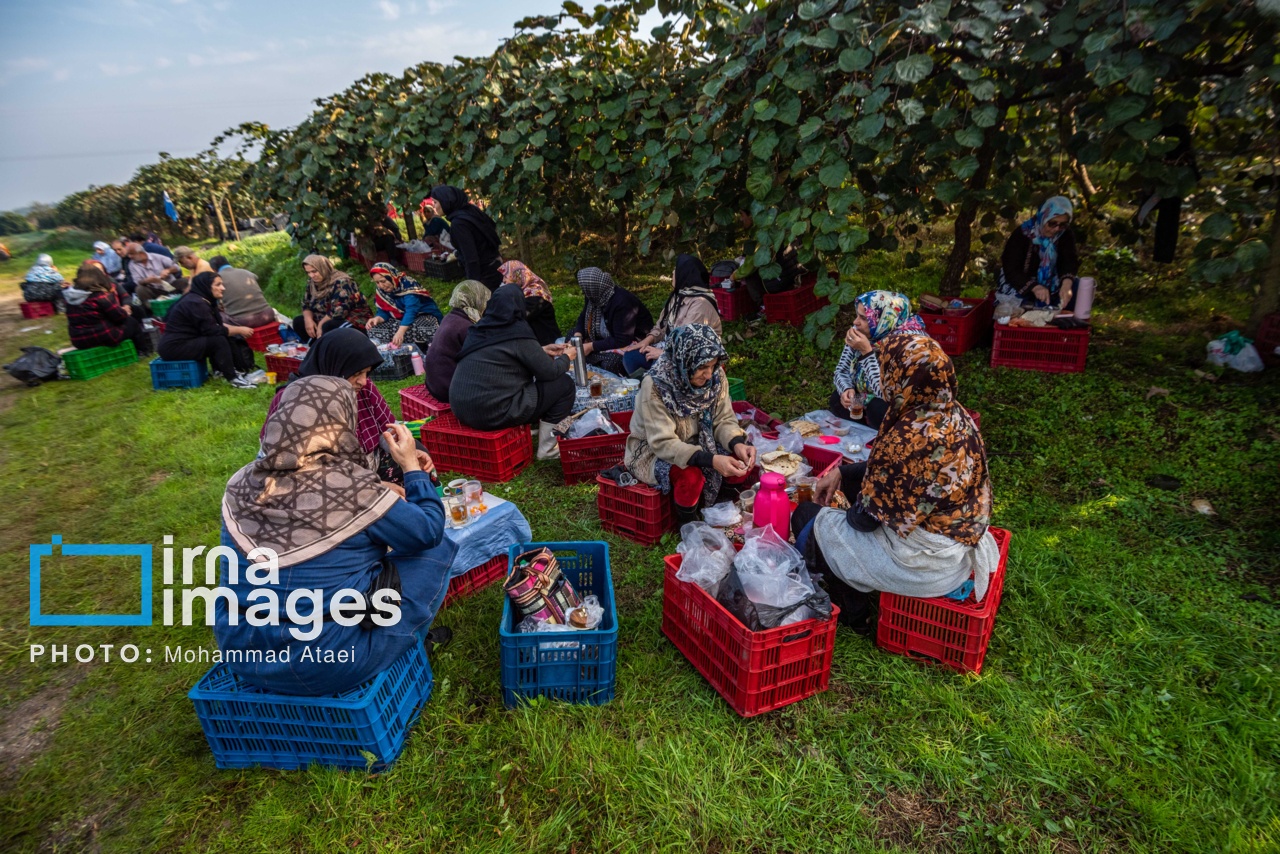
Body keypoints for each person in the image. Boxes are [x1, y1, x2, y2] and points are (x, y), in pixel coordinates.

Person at [215, 375, 457, 695]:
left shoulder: (240, 484)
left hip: (243, 651)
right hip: (326, 662)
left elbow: (304, 504)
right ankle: (400, 646)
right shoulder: (352, 489)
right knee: (436, 552)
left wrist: (377, 493)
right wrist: (412, 468)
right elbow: (427, 531)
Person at [792, 333, 998, 634]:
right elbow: (897, 474)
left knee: (808, 519)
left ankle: (854, 614)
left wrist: (840, 512)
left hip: (927, 565)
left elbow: (862, 521)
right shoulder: (954, 413)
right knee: (851, 488)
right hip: (957, 546)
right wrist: (844, 474)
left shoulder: (908, 437)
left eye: (886, 370)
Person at [262, 329, 435, 488]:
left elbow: (385, 430)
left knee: (418, 461)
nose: (363, 381)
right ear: (334, 368)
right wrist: (374, 487)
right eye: (356, 373)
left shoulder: (363, 389)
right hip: (321, 485)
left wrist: (408, 454)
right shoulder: (297, 403)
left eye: (367, 373)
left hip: (365, 467)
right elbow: (304, 473)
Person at [623, 324, 756, 526]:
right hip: (652, 451)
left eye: (712, 365)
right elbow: (663, 443)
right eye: (702, 367)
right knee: (690, 476)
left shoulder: (716, 378)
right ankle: (689, 526)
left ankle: (720, 509)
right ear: (684, 362)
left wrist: (737, 443)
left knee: (738, 458)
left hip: (702, 440)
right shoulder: (656, 385)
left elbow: (723, 419)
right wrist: (711, 459)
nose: (709, 374)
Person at [448, 283, 577, 460]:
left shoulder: (479, 330)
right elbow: (549, 372)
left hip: (462, 409)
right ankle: (549, 449)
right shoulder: (517, 332)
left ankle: (537, 429)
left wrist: (540, 350)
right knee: (564, 385)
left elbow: (502, 355)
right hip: (492, 413)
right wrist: (567, 357)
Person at [830, 290, 926, 429]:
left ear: (884, 319)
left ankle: (884, 442)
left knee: (878, 408)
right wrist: (846, 388)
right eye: (857, 315)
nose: (855, 322)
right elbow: (841, 370)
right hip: (868, 396)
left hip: (902, 407)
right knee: (838, 399)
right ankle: (861, 439)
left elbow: (886, 394)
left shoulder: (908, 346)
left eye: (864, 318)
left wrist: (866, 352)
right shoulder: (866, 332)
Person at [621, 253, 721, 375]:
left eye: (676, 270)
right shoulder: (678, 296)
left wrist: (662, 354)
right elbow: (662, 326)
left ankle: (654, 388)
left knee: (658, 368)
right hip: (670, 348)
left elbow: (689, 344)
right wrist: (647, 341)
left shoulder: (700, 304)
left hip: (692, 358)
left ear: (685, 275)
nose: (673, 273)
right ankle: (646, 388)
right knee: (631, 357)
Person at [157, 271, 258, 388]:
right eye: (218, 285)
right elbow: (213, 330)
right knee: (218, 340)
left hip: (184, 342)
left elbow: (214, 326)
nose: (223, 288)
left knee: (220, 336)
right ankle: (233, 378)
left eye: (222, 284)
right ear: (206, 286)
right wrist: (239, 330)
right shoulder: (195, 303)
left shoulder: (202, 299)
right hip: (174, 348)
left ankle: (219, 371)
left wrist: (238, 329)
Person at [996, 196, 1079, 310]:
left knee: (1076, 287)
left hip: (1052, 280)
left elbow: (1069, 260)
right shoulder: (1022, 234)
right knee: (1019, 309)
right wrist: (1034, 287)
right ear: (1043, 217)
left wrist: (1067, 284)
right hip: (1020, 282)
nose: (1056, 229)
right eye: (1052, 223)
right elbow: (1011, 269)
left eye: (1062, 224)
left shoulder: (1065, 234)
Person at [570, 267, 654, 375]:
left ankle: (592, 358)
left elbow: (622, 339)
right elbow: (583, 316)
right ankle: (590, 357)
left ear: (592, 288)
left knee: (611, 363)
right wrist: (578, 336)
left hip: (630, 342)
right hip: (604, 335)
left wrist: (591, 346)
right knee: (571, 336)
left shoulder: (621, 302)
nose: (583, 292)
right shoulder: (593, 296)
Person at [63, 262, 152, 356]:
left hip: (79, 340)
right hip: (103, 336)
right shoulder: (99, 296)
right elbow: (119, 317)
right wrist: (125, 311)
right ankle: (143, 351)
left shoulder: (69, 298)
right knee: (132, 322)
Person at [423, 280, 489, 403]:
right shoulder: (466, 326)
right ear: (477, 299)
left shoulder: (451, 317)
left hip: (433, 384)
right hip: (447, 389)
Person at [426, 185, 502, 289]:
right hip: (494, 266)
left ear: (445, 201)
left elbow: (471, 258)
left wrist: (473, 287)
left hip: (485, 275)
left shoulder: (459, 223)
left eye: (435, 202)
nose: (434, 206)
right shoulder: (469, 211)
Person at [293, 254, 371, 342]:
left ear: (323, 268)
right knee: (299, 321)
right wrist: (308, 320)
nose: (311, 275)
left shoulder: (342, 282)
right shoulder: (312, 283)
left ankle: (328, 348)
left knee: (328, 326)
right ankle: (316, 346)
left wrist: (321, 324)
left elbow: (340, 311)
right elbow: (306, 304)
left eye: (314, 271)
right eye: (308, 272)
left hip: (349, 319)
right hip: (325, 318)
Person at [365, 262, 443, 349]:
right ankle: (390, 352)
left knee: (424, 323)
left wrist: (400, 332)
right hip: (402, 321)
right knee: (375, 328)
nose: (381, 285)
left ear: (391, 276)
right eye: (377, 282)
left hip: (422, 316)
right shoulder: (381, 291)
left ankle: (430, 348)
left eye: (383, 281)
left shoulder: (407, 285)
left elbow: (411, 310)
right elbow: (384, 311)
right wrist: (377, 318)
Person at [498, 260, 559, 345]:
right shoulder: (523, 292)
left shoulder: (535, 294)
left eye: (506, 277)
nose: (503, 281)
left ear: (517, 276)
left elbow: (517, 315)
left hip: (548, 344)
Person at [208, 254, 276, 328]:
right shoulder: (247, 272)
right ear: (228, 263)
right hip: (268, 315)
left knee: (217, 314)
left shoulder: (217, 280)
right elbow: (256, 277)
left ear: (214, 269)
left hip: (244, 322)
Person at [126, 242, 184, 307]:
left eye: (132, 254)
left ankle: (185, 301)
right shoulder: (132, 264)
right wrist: (147, 281)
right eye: (128, 254)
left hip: (170, 286)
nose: (130, 256)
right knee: (139, 289)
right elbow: (137, 281)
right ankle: (154, 309)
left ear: (141, 253)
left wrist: (168, 270)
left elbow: (176, 267)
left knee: (183, 281)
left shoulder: (157, 257)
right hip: (154, 291)